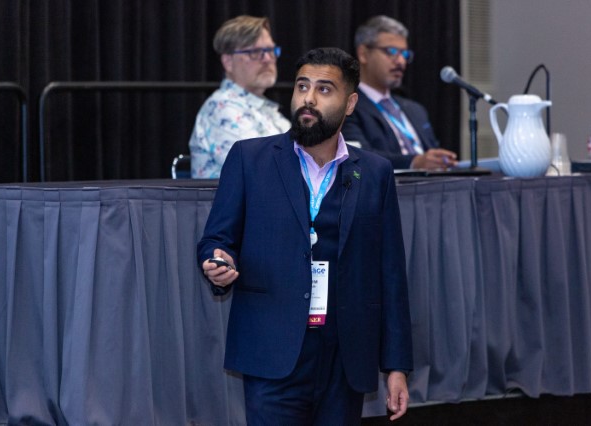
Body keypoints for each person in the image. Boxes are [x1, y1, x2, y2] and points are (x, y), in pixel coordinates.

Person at [197, 47, 413, 424]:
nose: (308, 98)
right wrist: (218, 261)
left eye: (324, 89)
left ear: (350, 103)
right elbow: (217, 240)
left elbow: (390, 272)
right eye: (302, 86)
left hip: (345, 356)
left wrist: (396, 366)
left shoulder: (374, 173)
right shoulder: (250, 159)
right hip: (272, 350)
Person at [342, 15, 458, 170]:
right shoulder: (347, 106)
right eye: (391, 51)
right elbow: (358, 156)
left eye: (405, 54)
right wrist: (414, 162)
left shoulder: (416, 110)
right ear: (363, 54)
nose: (401, 61)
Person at [188, 15, 290, 178]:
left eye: (270, 50)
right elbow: (263, 171)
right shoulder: (221, 108)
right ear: (228, 62)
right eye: (255, 52)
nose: (267, 59)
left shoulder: (267, 111)